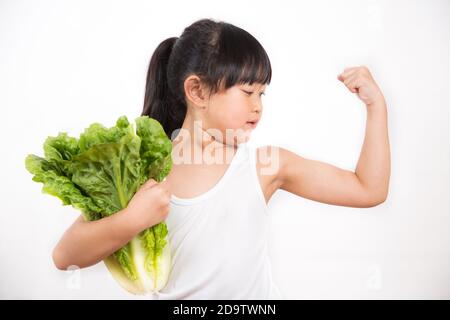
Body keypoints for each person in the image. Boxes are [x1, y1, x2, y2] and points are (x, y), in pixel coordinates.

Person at [52, 18, 390, 299]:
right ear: (197, 91)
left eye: (262, 93)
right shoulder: (146, 169)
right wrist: (132, 219)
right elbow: (66, 255)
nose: (258, 106)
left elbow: (367, 189)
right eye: (247, 92)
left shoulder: (265, 167)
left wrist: (377, 107)